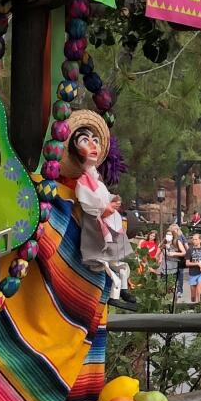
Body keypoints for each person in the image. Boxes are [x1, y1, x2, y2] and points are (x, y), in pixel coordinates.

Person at [66, 110, 130, 300]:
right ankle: (115, 290)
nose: (93, 145)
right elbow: (88, 205)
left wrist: (112, 201)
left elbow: (104, 196)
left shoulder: (97, 180)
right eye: (85, 141)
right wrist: (105, 209)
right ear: (75, 150)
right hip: (96, 228)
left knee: (118, 259)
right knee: (103, 260)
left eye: (96, 140)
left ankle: (123, 289)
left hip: (110, 224)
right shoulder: (83, 182)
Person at [160, 220, 186, 297]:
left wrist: (174, 253)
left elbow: (184, 252)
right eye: (167, 234)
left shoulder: (177, 242)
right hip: (164, 268)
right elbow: (159, 251)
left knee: (172, 289)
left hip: (174, 268)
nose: (168, 236)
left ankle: (176, 296)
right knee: (163, 288)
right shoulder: (164, 243)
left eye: (170, 234)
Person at [184, 232, 201, 304]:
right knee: (193, 296)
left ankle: (200, 305)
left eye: (196, 239)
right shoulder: (190, 250)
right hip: (192, 273)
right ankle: (194, 301)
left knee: (200, 287)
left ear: (200, 240)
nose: (194, 241)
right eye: (193, 239)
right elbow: (187, 263)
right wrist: (197, 263)